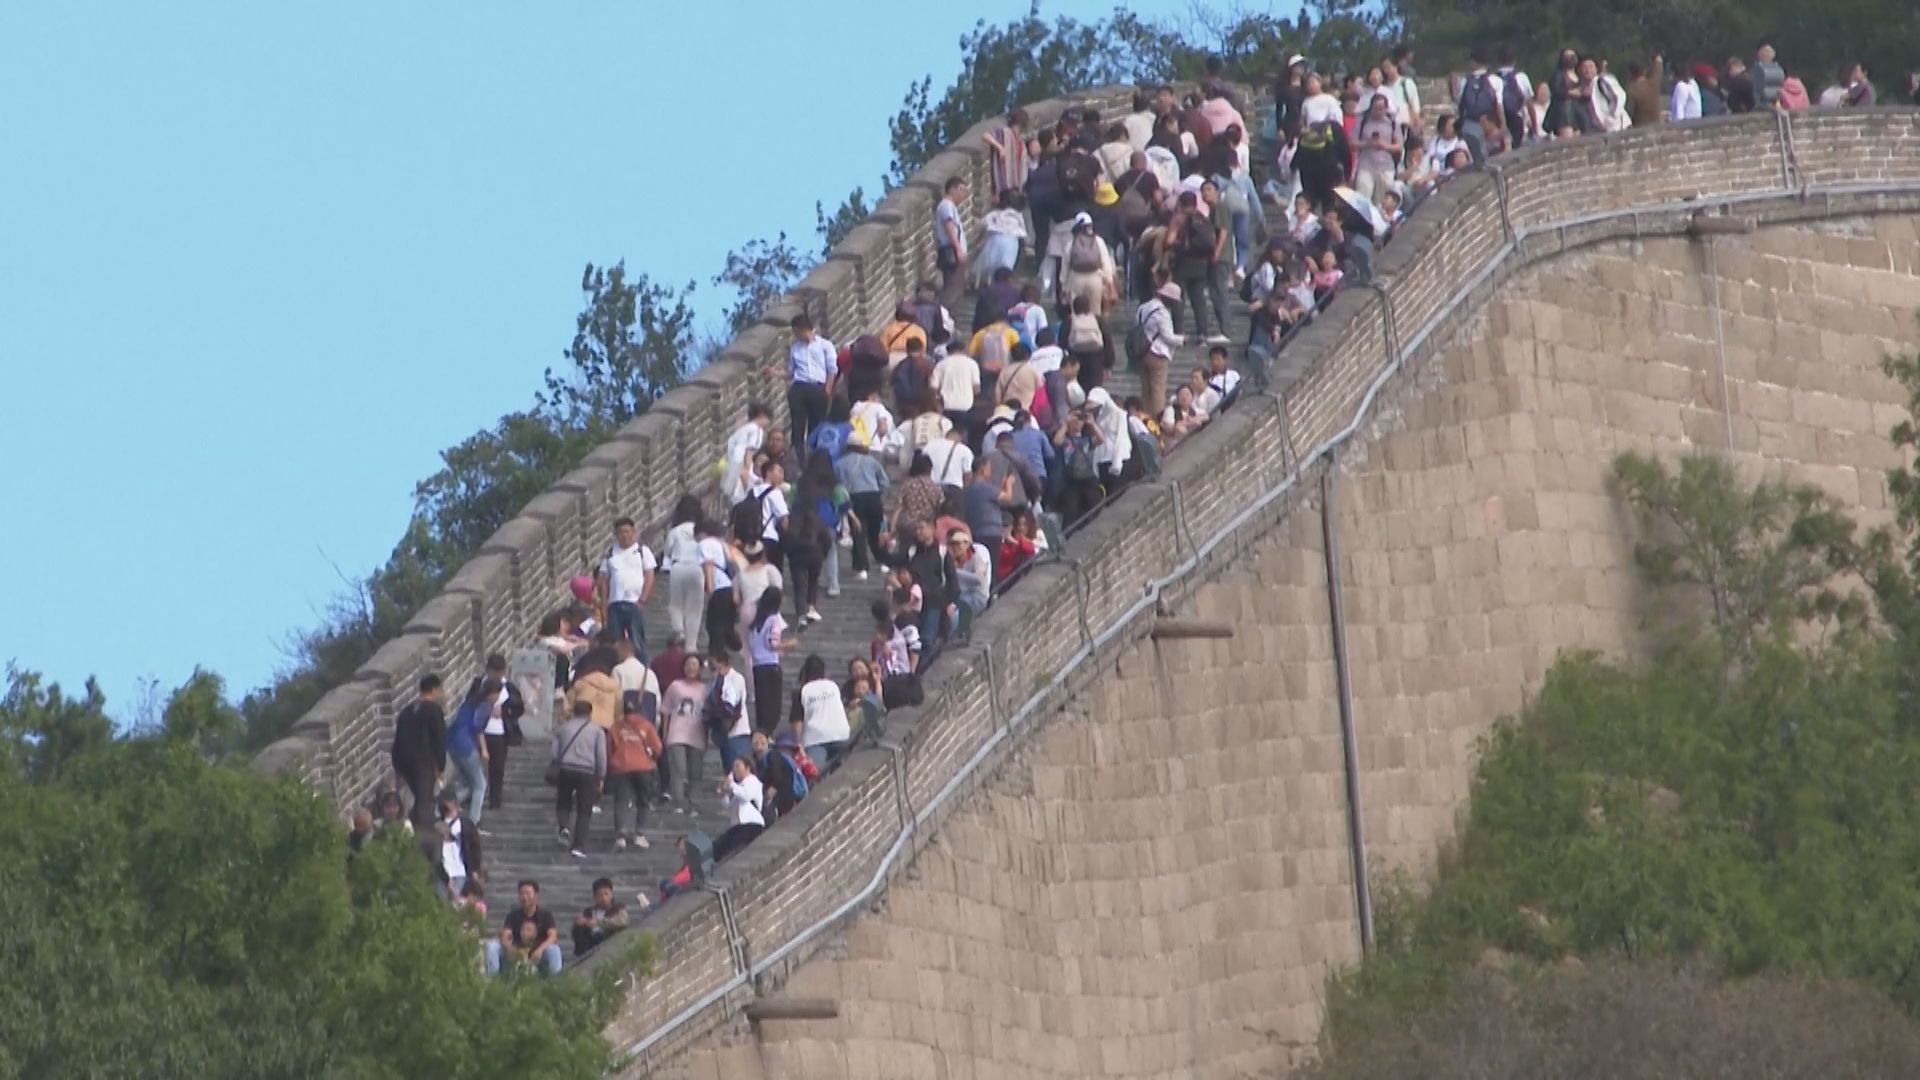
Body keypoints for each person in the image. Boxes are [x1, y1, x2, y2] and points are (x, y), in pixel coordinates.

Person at [550, 699, 607, 858]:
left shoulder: (563, 728)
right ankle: (578, 845)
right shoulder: (597, 731)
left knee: (563, 801)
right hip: (587, 771)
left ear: (574, 712)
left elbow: (554, 753)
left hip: (566, 768)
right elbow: (601, 756)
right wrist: (601, 776)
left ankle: (564, 828)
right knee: (584, 809)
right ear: (590, 713)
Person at [390, 674, 446, 830]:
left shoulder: (406, 711)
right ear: (434, 689)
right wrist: (440, 766)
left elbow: (397, 740)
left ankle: (415, 828)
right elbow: (439, 740)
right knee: (424, 800)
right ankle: (424, 834)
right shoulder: (434, 710)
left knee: (416, 799)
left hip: (404, 762)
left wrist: (397, 768)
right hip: (424, 763)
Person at [596, 516, 655, 663]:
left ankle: (642, 668)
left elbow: (649, 577)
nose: (624, 535)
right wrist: (603, 605)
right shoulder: (610, 553)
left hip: (634, 602)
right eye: (621, 532)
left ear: (633, 532)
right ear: (616, 535)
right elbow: (603, 581)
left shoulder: (642, 551)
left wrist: (643, 599)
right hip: (614, 603)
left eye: (627, 531)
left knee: (636, 639)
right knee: (616, 641)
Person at [607, 698, 662, 851]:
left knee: (621, 801)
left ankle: (621, 836)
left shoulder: (616, 727)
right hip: (643, 767)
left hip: (621, 767)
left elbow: (608, 748)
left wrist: (612, 763)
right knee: (643, 801)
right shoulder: (646, 725)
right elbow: (657, 747)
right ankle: (639, 834)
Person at [836, 430, 890, 582]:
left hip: (854, 498)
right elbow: (884, 481)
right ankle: (884, 560)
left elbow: (837, 485)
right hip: (873, 496)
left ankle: (861, 567)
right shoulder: (872, 461)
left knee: (858, 532)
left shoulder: (840, 463)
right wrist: (881, 495)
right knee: (877, 530)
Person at [660, 652, 708, 812]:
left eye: (695, 665)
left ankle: (695, 804)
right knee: (678, 770)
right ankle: (678, 803)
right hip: (676, 733)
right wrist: (665, 733)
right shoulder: (675, 686)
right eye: (688, 664)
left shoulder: (705, 689)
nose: (691, 668)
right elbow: (665, 711)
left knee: (695, 772)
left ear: (700, 668)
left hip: (697, 733)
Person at [484, 881, 562, 976]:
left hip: (538, 953)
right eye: (521, 894)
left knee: (554, 949)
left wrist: (540, 950)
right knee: (492, 946)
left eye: (528, 893)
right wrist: (510, 948)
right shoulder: (513, 915)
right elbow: (505, 936)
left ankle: (555, 984)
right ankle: (493, 981)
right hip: (516, 953)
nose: (524, 897)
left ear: (536, 895)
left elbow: (552, 936)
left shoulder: (545, 914)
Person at [445, 677, 495, 825]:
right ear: (491, 694)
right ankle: (473, 820)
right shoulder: (484, 706)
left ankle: (444, 806)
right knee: (480, 784)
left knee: (467, 782)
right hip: (466, 746)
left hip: (452, 744)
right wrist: (484, 750)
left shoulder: (468, 703)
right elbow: (478, 728)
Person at [786, 314, 837, 458]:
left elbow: (832, 369)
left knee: (817, 424)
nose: (795, 335)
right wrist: (775, 373)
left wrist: (827, 390)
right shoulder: (795, 348)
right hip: (799, 387)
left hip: (817, 388)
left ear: (803, 329)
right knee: (797, 425)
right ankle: (798, 456)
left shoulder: (825, 345)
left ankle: (815, 455)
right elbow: (791, 372)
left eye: (796, 331)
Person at [745, 586, 793, 735]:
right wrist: (789, 644)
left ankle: (762, 731)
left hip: (758, 666)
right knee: (773, 704)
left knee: (762, 702)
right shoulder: (774, 619)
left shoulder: (755, 623)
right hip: (771, 666)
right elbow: (773, 643)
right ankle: (768, 732)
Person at [791, 654, 851, 771]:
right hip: (841, 734)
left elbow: (796, 721)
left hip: (815, 739)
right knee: (841, 771)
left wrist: (798, 743)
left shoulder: (803, 691)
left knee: (816, 774)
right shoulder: (833, 686)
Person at [1132, 281, 1181, 417]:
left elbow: (1136, 325)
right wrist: (1182, 340)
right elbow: (1168, 337)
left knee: (1146, 390)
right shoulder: (1162, 312)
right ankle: (1158, 420)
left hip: (1142, 352)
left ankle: (1145, 417)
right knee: (1158, 390)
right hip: (1158, 354)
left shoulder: (1143, 307)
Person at [704, 649, 752, 776]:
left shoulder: (735, 678)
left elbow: (731, 703)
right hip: (723, 733)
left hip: (737, 732)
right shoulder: (714, 680)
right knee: (729, 772)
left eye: (713, 665)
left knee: (739, 771)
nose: (711, 669)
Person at [713, 756, 768, 862]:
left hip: (751, 824)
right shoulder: (738, 787)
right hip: (738, 825)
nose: (735, 769)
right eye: (733, 767)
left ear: (747, 768)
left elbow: (746, 796)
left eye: (738, 766)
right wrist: (723, 794)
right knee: (718, 848)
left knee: (733, 851)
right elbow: (728, 806)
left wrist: (731, 784)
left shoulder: (752, 781)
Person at [948, 530, 993, 642]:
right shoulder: (951, 560)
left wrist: (955, 571)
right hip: (960, 595)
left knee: (957, 615)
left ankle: (954, 639)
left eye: (958, 544)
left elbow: (979, 579)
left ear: (967, 544)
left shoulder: (978, 554)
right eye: (953, 544)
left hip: (977, 595)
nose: (955, 547)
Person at [722, 403, 771, 506]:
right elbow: (749, 452)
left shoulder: (744, 429)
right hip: (740, 464)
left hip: (732, 463)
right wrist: (747, 471)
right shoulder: (756, 430)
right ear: (762, 416)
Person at [435, 792, 484, 895]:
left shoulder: (466, 824)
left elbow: (475, 847)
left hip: (460, 870)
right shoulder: (436, 825)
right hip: (442, 871)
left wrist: (475, 868)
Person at [934, 175, 969, 308]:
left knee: (956, 288)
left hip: (952, 252)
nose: (964, 195)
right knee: (952, 290)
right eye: (962, 190)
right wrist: (958, 249)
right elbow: (949, 226)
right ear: (953, 189)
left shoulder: (949, 206)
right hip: (951, 252)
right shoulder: (946, 206)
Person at [572, 878, 629, 957]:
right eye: (600, 895)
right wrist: (580, 923)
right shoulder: (588, 912)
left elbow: (621, 922)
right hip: (591, 947)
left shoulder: (618, 909)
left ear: (611, 894)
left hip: (611, 944)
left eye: (606, 894)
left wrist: (598, 922)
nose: (603, 898)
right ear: (595, 897)